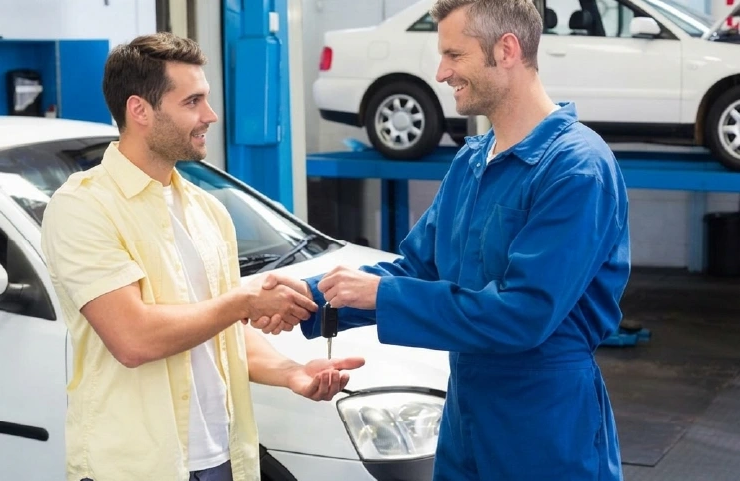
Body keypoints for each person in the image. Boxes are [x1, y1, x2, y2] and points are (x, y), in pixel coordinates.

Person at [261, 0, 631, 479]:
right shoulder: (473, 162)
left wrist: (382, 295)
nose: (441, 72)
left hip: (545, 420)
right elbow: (416, 268)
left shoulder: (576, 168)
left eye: (454, 55)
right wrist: (308, 300)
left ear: (507, 50)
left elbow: (524, 315)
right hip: (467, 414)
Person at [40, 32, 364, 481]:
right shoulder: (84, 207)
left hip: (222, 459)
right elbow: (133, 339)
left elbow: (223, 332)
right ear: (140, 111)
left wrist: (292, 372)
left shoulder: (207, 210)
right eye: (192, 102)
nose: (209, 116)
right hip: (137, 468)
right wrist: (244, 301)